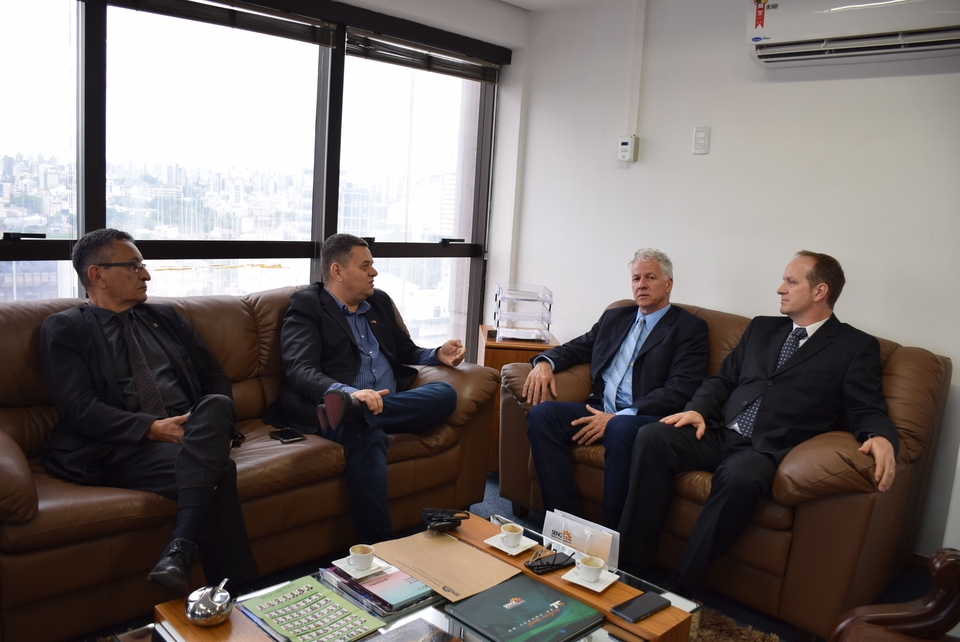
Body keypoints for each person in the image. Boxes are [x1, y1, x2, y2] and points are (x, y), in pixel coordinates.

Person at [617, 251, 899, 598]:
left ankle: (680, 587)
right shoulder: (762, 328)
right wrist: (698, 410)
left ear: (819, 291)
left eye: (791, 282)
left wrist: (880, 436)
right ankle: (631, 567)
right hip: (718, 432)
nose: (780, 288)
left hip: (767, 449)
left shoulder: (854, 346)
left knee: (739, 478)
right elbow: (723, 380)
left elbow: (866, 406)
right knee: (653, 436)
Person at [40, 229, 258, 593]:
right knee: (219, 469)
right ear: (97, 275)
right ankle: (238, 594)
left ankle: (181, 553)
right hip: (124, 445)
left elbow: (214, 378)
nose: (146, 274)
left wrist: (209, 428)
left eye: (142, 265)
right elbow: (79, 408)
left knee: (218, 404)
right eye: (133, 266)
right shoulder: (65, 328)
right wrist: (152, 428)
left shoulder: (165, 316)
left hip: (194, 430)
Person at [267, 233, 465, 544]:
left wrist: (437, 354)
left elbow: (405, 351)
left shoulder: (378, 302)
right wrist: (348, 393)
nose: (374, 272)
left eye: (372, 265)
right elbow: (300, 370)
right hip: (328, 407)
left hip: (382, 406)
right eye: (365, 266)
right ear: (337, 271)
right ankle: (381, 546)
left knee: (446, 394)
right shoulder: (308, 305)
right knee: (366, 435)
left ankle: (358, 412)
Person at [523, 248, 709, 528]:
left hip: (645, 417)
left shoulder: (689, 327)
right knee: (542, 416)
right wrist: (544, 363)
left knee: (619, 428)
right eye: (636, 278)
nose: (641, 285)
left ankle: (611, 542)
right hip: (599, 406)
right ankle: (566, 526)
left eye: (650, 277)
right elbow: (577, 348)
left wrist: (619, 417)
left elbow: (681, 387)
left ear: (668, 283)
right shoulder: (615, 317)